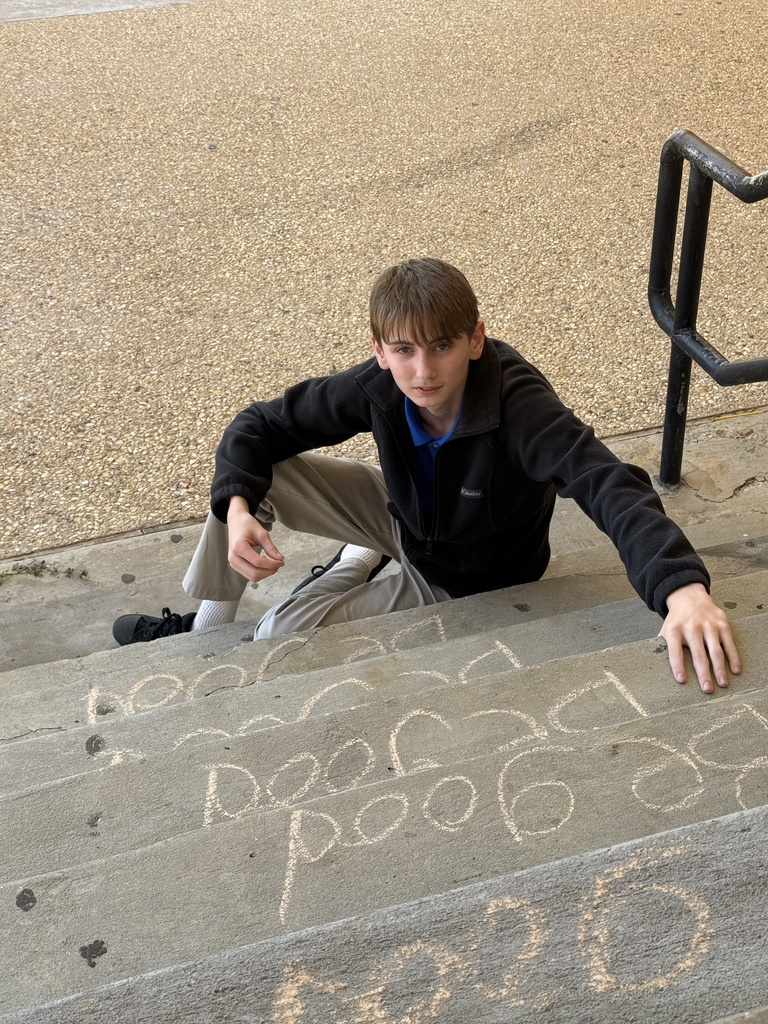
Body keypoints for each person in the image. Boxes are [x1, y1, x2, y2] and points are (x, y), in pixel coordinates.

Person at [113, 257, 740, 695]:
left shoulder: (519, 406)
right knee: (249, 478)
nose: (423, 371)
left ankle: (352, 563)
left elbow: (607, 481)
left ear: (475, 339)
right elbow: (259, 426)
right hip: (407, 512)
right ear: (381, 350)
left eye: (441, 346)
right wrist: (239, 510)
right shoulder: (380, 384)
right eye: (404, 350)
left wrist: (681, 588)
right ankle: (207, 628)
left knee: (278, 634)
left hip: (464, 575)